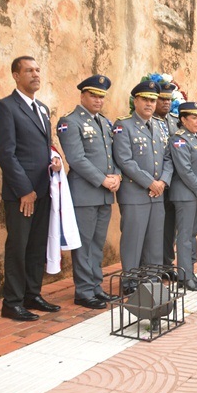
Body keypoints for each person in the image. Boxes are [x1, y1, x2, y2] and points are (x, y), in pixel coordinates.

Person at [0, 56, 62, 321]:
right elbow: (6, 153)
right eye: (29, 70)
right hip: (22, 195)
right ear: (15, 75)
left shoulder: (42, 108)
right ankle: (12, 301)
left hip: (43, 190)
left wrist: (54, 158)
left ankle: (32, 294)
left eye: (37, 70)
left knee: (36, 247)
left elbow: (45, 145)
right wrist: (24, 190)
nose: (35, 75)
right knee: (18, 248)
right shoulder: (5, 108)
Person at [57, 74, 120, 310]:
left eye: (101, 96)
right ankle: (83, 291)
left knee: (97, 243)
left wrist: (116, 176)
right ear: (82, 95)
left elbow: (111, 155)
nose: (98, 100)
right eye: (93, 95)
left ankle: (95, 286)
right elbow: (76, 158)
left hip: (104, 193)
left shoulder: (104, 122)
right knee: (83, 243)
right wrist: (103, 179)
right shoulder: (69, 121)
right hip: (84, 193)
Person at [112, 80, 174, 293]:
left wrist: (163, 182)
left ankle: (152, 280)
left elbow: (168, 157)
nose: (149, 104)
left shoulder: (159, 125)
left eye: (153, 100)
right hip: (135, 192)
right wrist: (151, 182)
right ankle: (130, 282)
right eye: (145, 99)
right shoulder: (123, 125)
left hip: (157, 193)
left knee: (155, 240)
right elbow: (124, 160)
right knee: (133, 239)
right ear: (136, 100)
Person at [169, 102, 197, 292]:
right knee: (185, 237)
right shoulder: (179, 140)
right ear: (183, 120)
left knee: (192, 235)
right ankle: (184, 277)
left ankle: (190, 272)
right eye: (193, 118)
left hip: (196, 193)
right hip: (185, 195)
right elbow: (184, 170)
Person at [155, 83, 180, 273]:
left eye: (168, 100)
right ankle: (152, 264)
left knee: (170, 226)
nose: (165, 103)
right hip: (154, 182)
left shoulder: (175, 121)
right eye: (162, 99)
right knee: (156, 226)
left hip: (173, 183)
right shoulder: (150, 121)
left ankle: (167, 263)